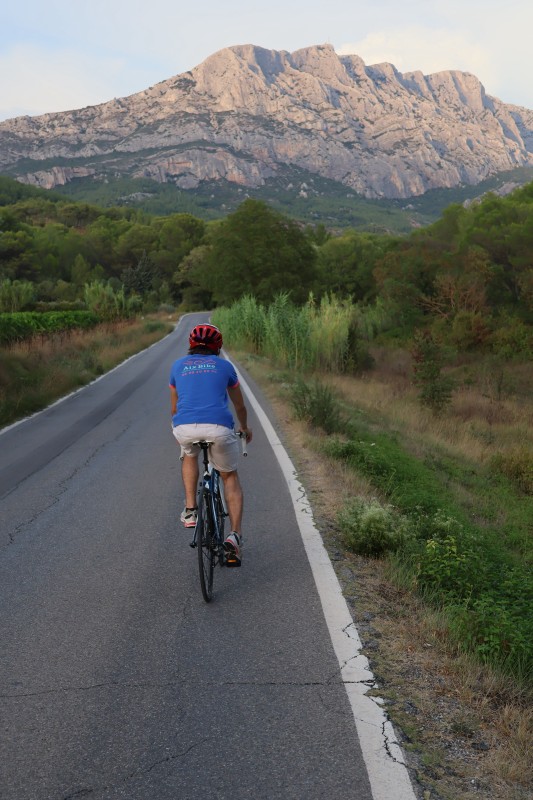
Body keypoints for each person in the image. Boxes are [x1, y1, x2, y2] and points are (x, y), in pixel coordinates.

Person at [169, 323, 252, 566]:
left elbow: (174, 408)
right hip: (219, 428)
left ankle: (191, 510)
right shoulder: (225, 366)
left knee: (189, 456)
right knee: (229, 477)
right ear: (218, 347)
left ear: (191, 345)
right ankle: (234, 536)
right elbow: (239, 406)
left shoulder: (177, 366)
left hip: (184, 427)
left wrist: (182, 427)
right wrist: (245, 428)